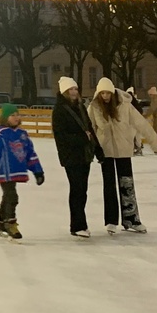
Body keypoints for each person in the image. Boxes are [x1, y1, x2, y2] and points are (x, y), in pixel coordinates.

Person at [88, 77, 157, 235]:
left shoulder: (125, 105)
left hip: (123, 150)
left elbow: (141, 124)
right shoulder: (94, 107)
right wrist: (90, 148)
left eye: (108, 92)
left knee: (127, 184)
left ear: (113, 92)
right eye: (102, 93)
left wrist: (155, 144)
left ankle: (132, 219)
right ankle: (111, 221)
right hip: (105, 151)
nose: (106, 96)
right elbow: (88, 128)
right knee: (109, 186)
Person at [0, 104, 45, 239]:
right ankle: (10, 224)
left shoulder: (22, 134)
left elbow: (30, 154)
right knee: (12, 196)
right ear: (5, 118)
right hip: (4, 171)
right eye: (13, 115)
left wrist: (38, 171)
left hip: (17, 170)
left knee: (7, 196)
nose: (16, 117)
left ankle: (1, 223)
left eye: (18, 114)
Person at [53, 76, 103, 238]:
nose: (74, 92)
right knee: (77, 189)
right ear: (64, 92)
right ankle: (77, 225)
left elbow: (89, 129)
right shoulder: (59, 110)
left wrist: (98, 149)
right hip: (70, 156)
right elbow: (61, 135)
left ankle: (80, 223)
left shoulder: (81, 107)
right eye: (70, 90)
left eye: (75, 89)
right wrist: (83, 138)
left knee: (83, 190)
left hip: (84, 154)